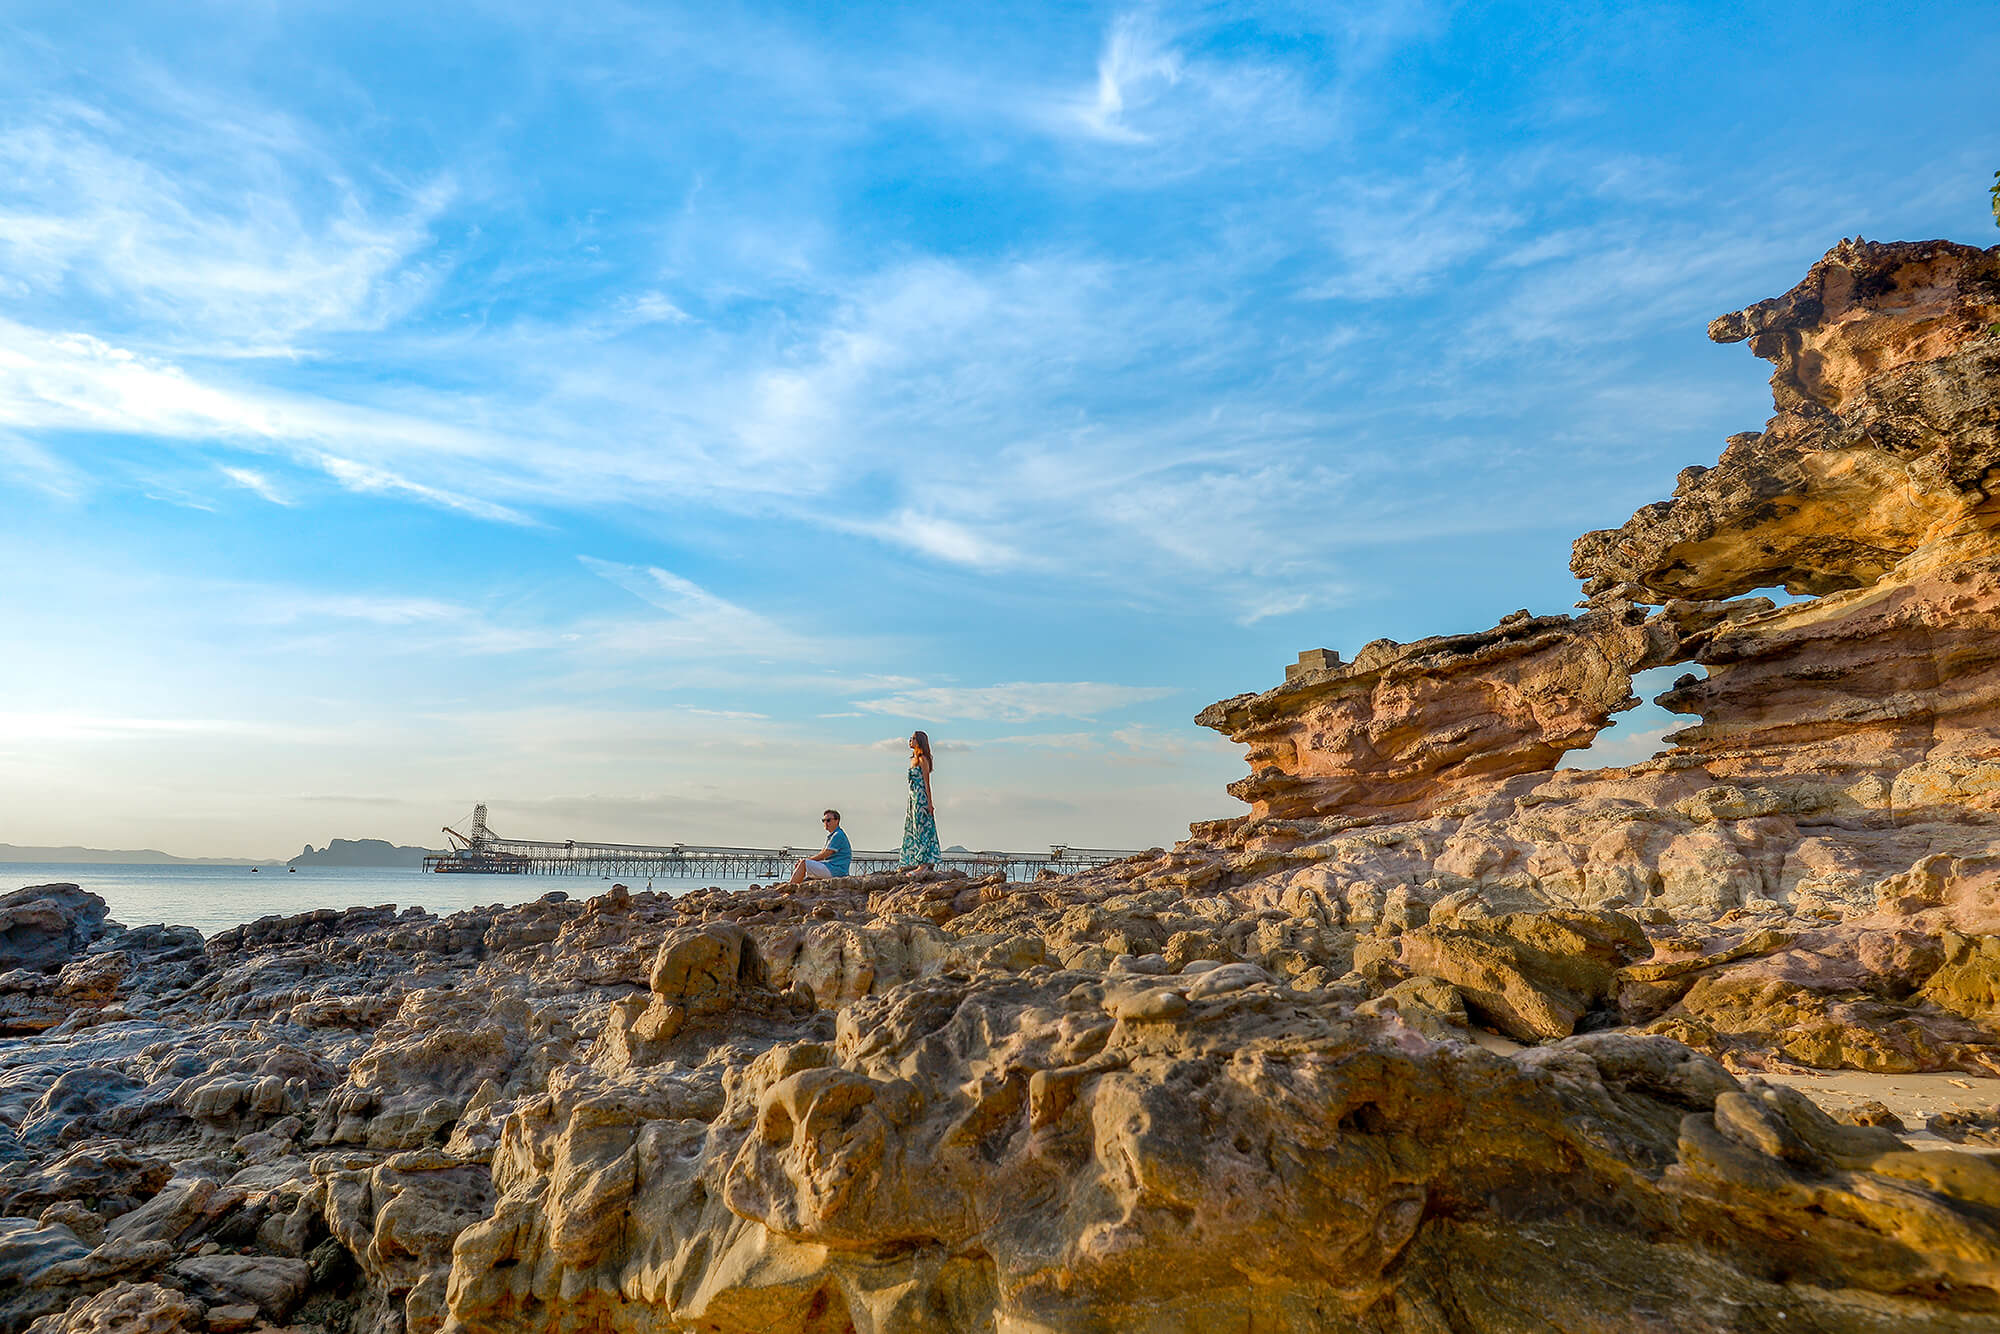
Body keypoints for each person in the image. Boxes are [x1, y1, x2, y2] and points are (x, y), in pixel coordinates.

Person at [900, 730, 941, 869]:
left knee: (922, 829)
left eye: (912, 738)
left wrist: (930, 804)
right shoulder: (913, 759)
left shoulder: (923, 759)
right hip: (912, 799)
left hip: (921, 798)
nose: (910, 740)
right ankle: (914, 860)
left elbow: (926, 783)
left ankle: (924, 862)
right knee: (913, 828)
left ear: (919, 741)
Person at [789, 809, 852, 884]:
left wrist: (807, 860)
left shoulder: (838, 835)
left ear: (837, 821)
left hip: (836, 870)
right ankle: (794, 887)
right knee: (806, 873)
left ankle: (790, 888)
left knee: (804, 863)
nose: (826, 823)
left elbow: (825, 854)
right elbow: (824, 853)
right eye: (824, 820)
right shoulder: (833, 835)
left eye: (828, 820)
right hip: (833, 868)